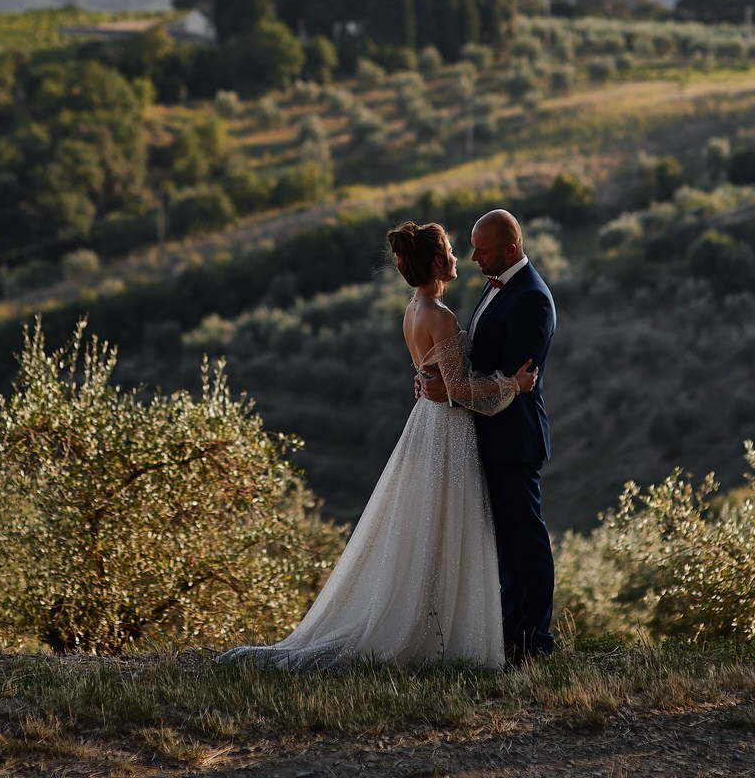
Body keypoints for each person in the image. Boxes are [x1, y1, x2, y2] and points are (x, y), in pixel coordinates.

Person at [220, 220, 536, 669]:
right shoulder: (440, 316)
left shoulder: (414, 308)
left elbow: (437, 378)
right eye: (449, 250)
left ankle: (438, 626)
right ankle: (442, 635)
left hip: (427, 423)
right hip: (447, 430)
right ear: (433, 262)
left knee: (429, 525)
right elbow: (460, 389)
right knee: (445, 525)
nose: (457, 257)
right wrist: (513, 385)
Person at [417, 209, 557, 663]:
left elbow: (512, 380)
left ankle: (535, 644)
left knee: (526, 543)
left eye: (482, 249)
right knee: (505, 546)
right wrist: (433, 379)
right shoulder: (496, 283)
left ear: (510, 249)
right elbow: (469, 358)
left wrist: (451, 392)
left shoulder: (532, 299)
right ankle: (510, 638)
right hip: (485, 436)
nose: (473, 256)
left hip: (514, 440)